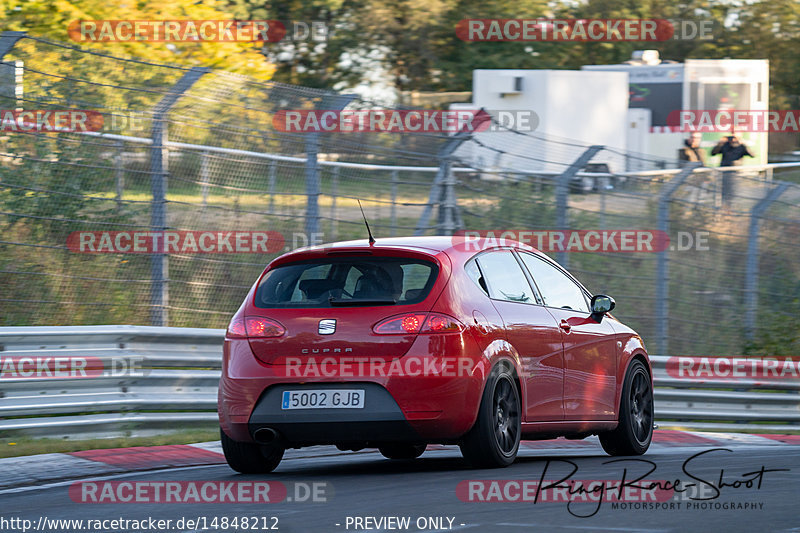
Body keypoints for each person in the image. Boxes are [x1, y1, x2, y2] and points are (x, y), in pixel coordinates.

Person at [711, 131, 754, 205]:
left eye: (735, 135)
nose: (733, 137)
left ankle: (732, 208)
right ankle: (724, 209)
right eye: (732, 134)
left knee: (734, 193)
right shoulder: (725, 145)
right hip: (724, 173)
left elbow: (752, 154)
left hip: (735, 174)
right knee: (723, 193)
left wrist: (742, 143)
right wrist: (720, 143)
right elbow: (713, 153)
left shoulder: (741, 146)